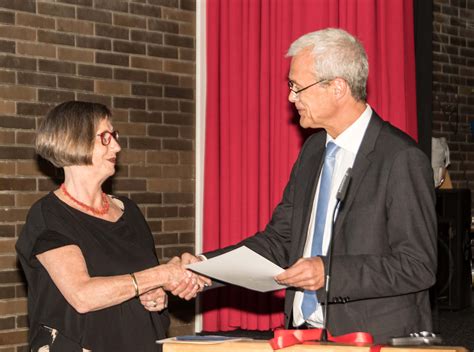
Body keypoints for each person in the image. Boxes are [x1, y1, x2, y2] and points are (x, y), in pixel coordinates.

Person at [183, 28, 437, 343]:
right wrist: (207, 267)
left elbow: (417, 265)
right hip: (304, 336)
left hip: (374, 340)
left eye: (298, 87)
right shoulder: (313, 151)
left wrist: (327, 273)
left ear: (338, 88)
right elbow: (280, 241)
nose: (291, 97)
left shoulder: (400, 158)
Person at [16, 101, 203, 351]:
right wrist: (161, 275)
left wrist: (156, 295)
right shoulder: (49, 216)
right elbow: (83, 296)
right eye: (105, 137)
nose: (116, 145)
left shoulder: (130, 212)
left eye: (114, 136)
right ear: (73, 140)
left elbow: (135, 283)